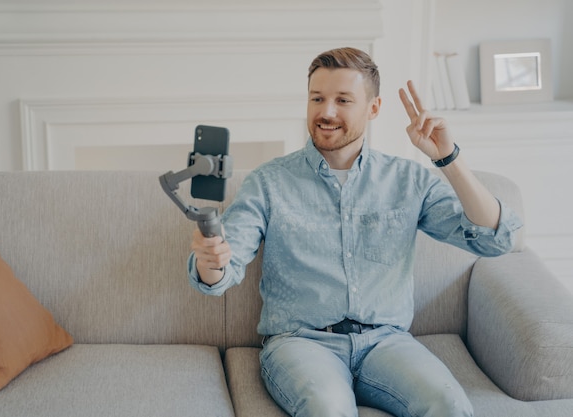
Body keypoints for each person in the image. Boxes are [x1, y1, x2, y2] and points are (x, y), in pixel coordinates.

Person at [187, 47, 522, 417]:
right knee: (329, 410)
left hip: (388, 343)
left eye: (343, 100)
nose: (326, 112)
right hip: (302, 344)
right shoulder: (268, 182)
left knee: (450, 405)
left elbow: (495, 239)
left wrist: (447, 159)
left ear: (373, 108)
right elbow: (221, 272)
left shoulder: (408, 180)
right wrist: (211, 261)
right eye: (318, 98)